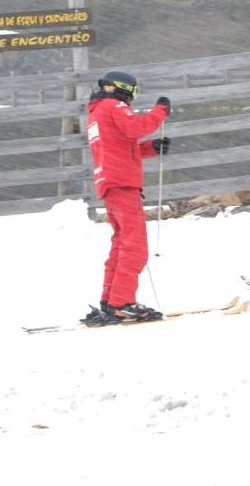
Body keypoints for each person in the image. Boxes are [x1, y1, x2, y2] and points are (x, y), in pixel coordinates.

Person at [86, 70, 171, 322]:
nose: (132, 99)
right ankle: (122, 302)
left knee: (121, 244)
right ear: (124, 89)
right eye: (133, 92)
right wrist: (161, 111)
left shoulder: (98, 111)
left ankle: (110, 299)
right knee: (135, 248)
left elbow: (120, 146)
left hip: (111, 184)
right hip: (122, 185)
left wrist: (150, 149)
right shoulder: (113, 105)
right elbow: (136, 128)